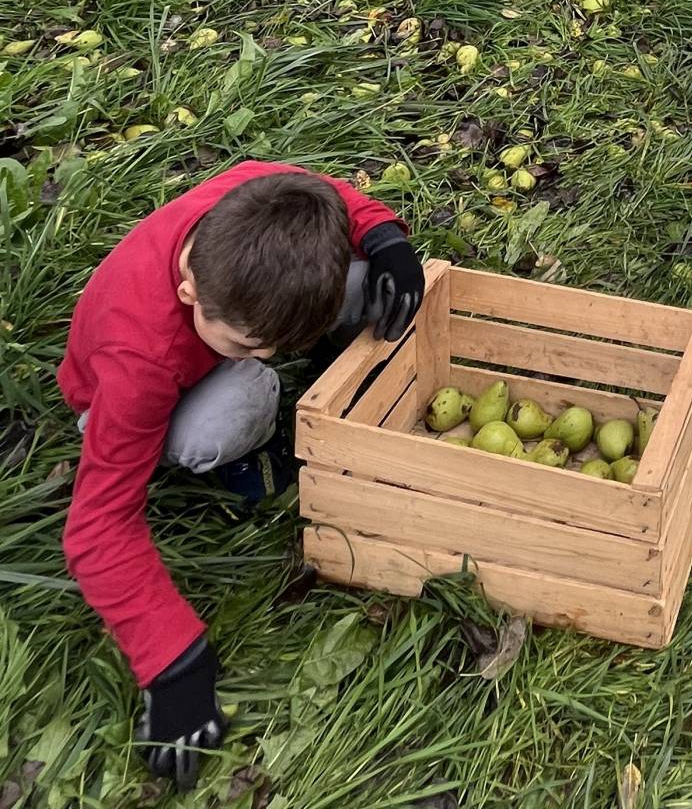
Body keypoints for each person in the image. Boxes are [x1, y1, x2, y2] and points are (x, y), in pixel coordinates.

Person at [58, 162, 424, 790]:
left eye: (276, 344)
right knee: (250, 395)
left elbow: (312, 188)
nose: (269, 354)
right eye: (249, 341)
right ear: (188, 292)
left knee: (363, 279)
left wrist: (385, 237)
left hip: (190, 336)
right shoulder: (140, 359)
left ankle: (293, 349)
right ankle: (229, 451)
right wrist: (174, 663)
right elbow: (97, 525)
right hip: (123, 405)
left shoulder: (249, 201)